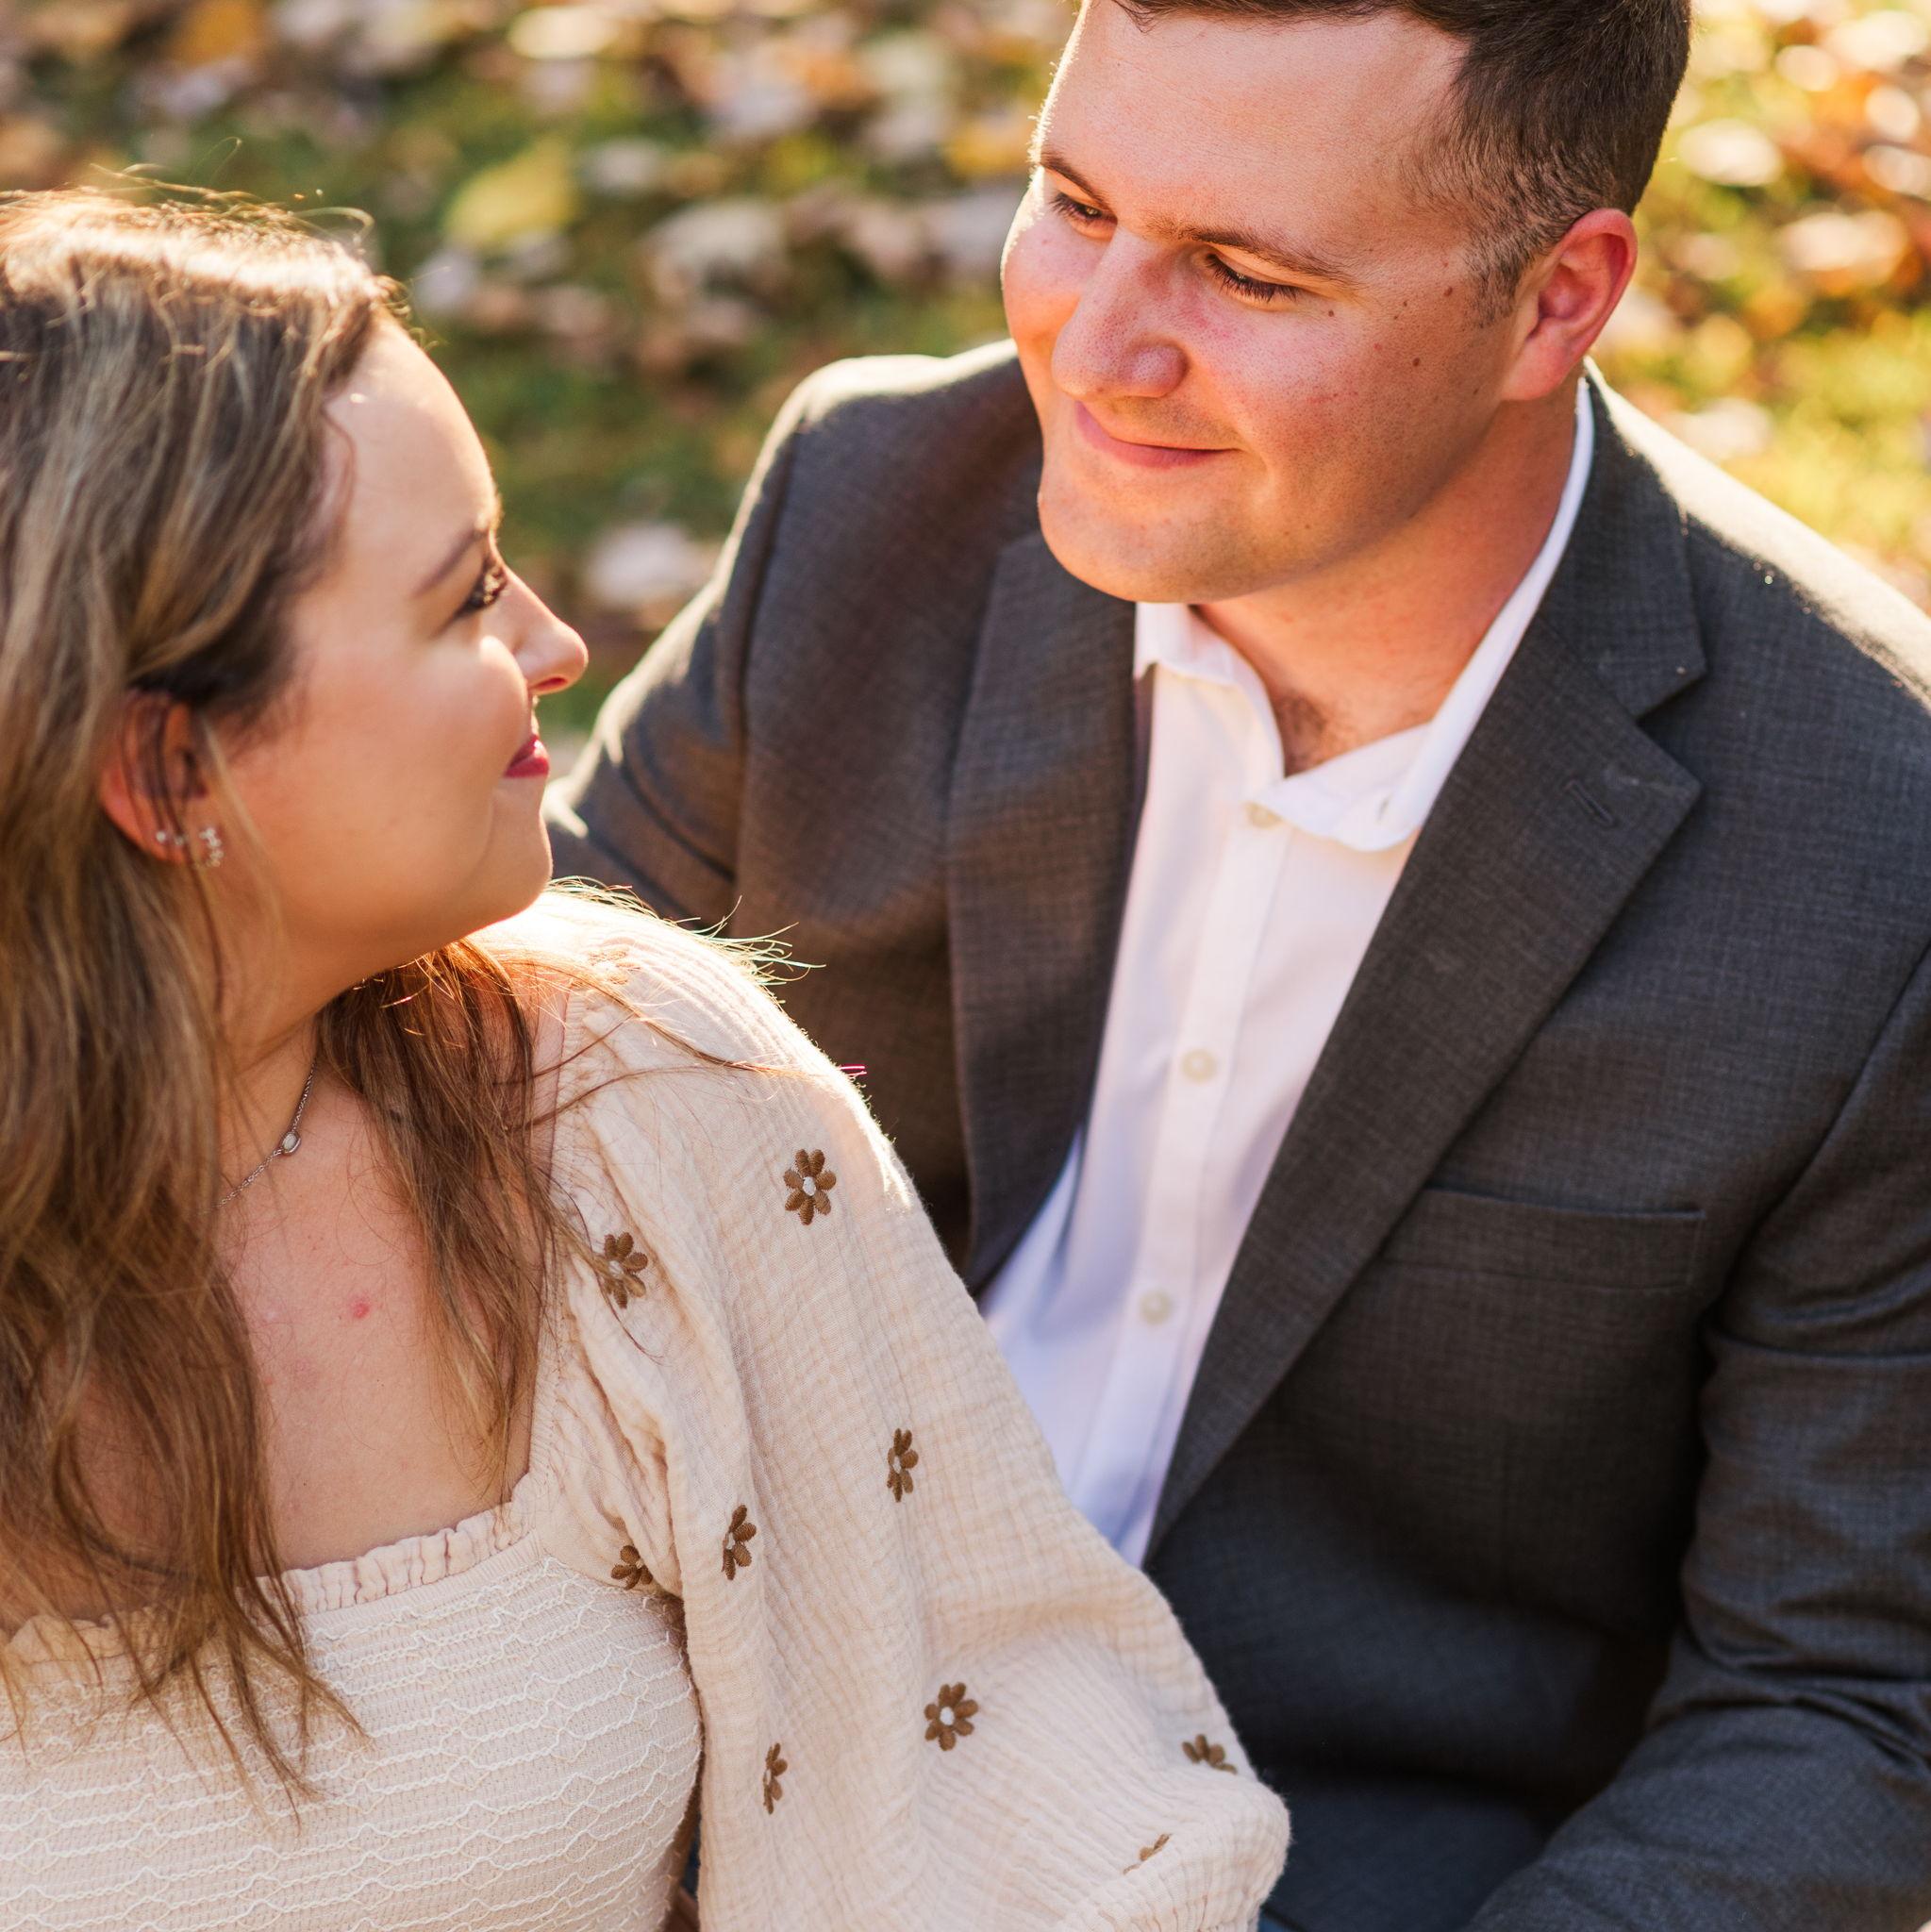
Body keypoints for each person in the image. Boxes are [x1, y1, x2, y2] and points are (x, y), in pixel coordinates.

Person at [546, 0, 1931, 1926]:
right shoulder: (869, 512)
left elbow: (1843, 1703)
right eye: (1073, 204)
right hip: (677, 1757)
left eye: (1251, 277)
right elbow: (475, 1111)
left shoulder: (1876, 851)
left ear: (1557, 300)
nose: (1094, 348)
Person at [0, 189, 1290, 1931]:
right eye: (463, 600)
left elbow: (1033, 1823)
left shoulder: (642, 1114)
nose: (557, 645)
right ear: (166, 775)